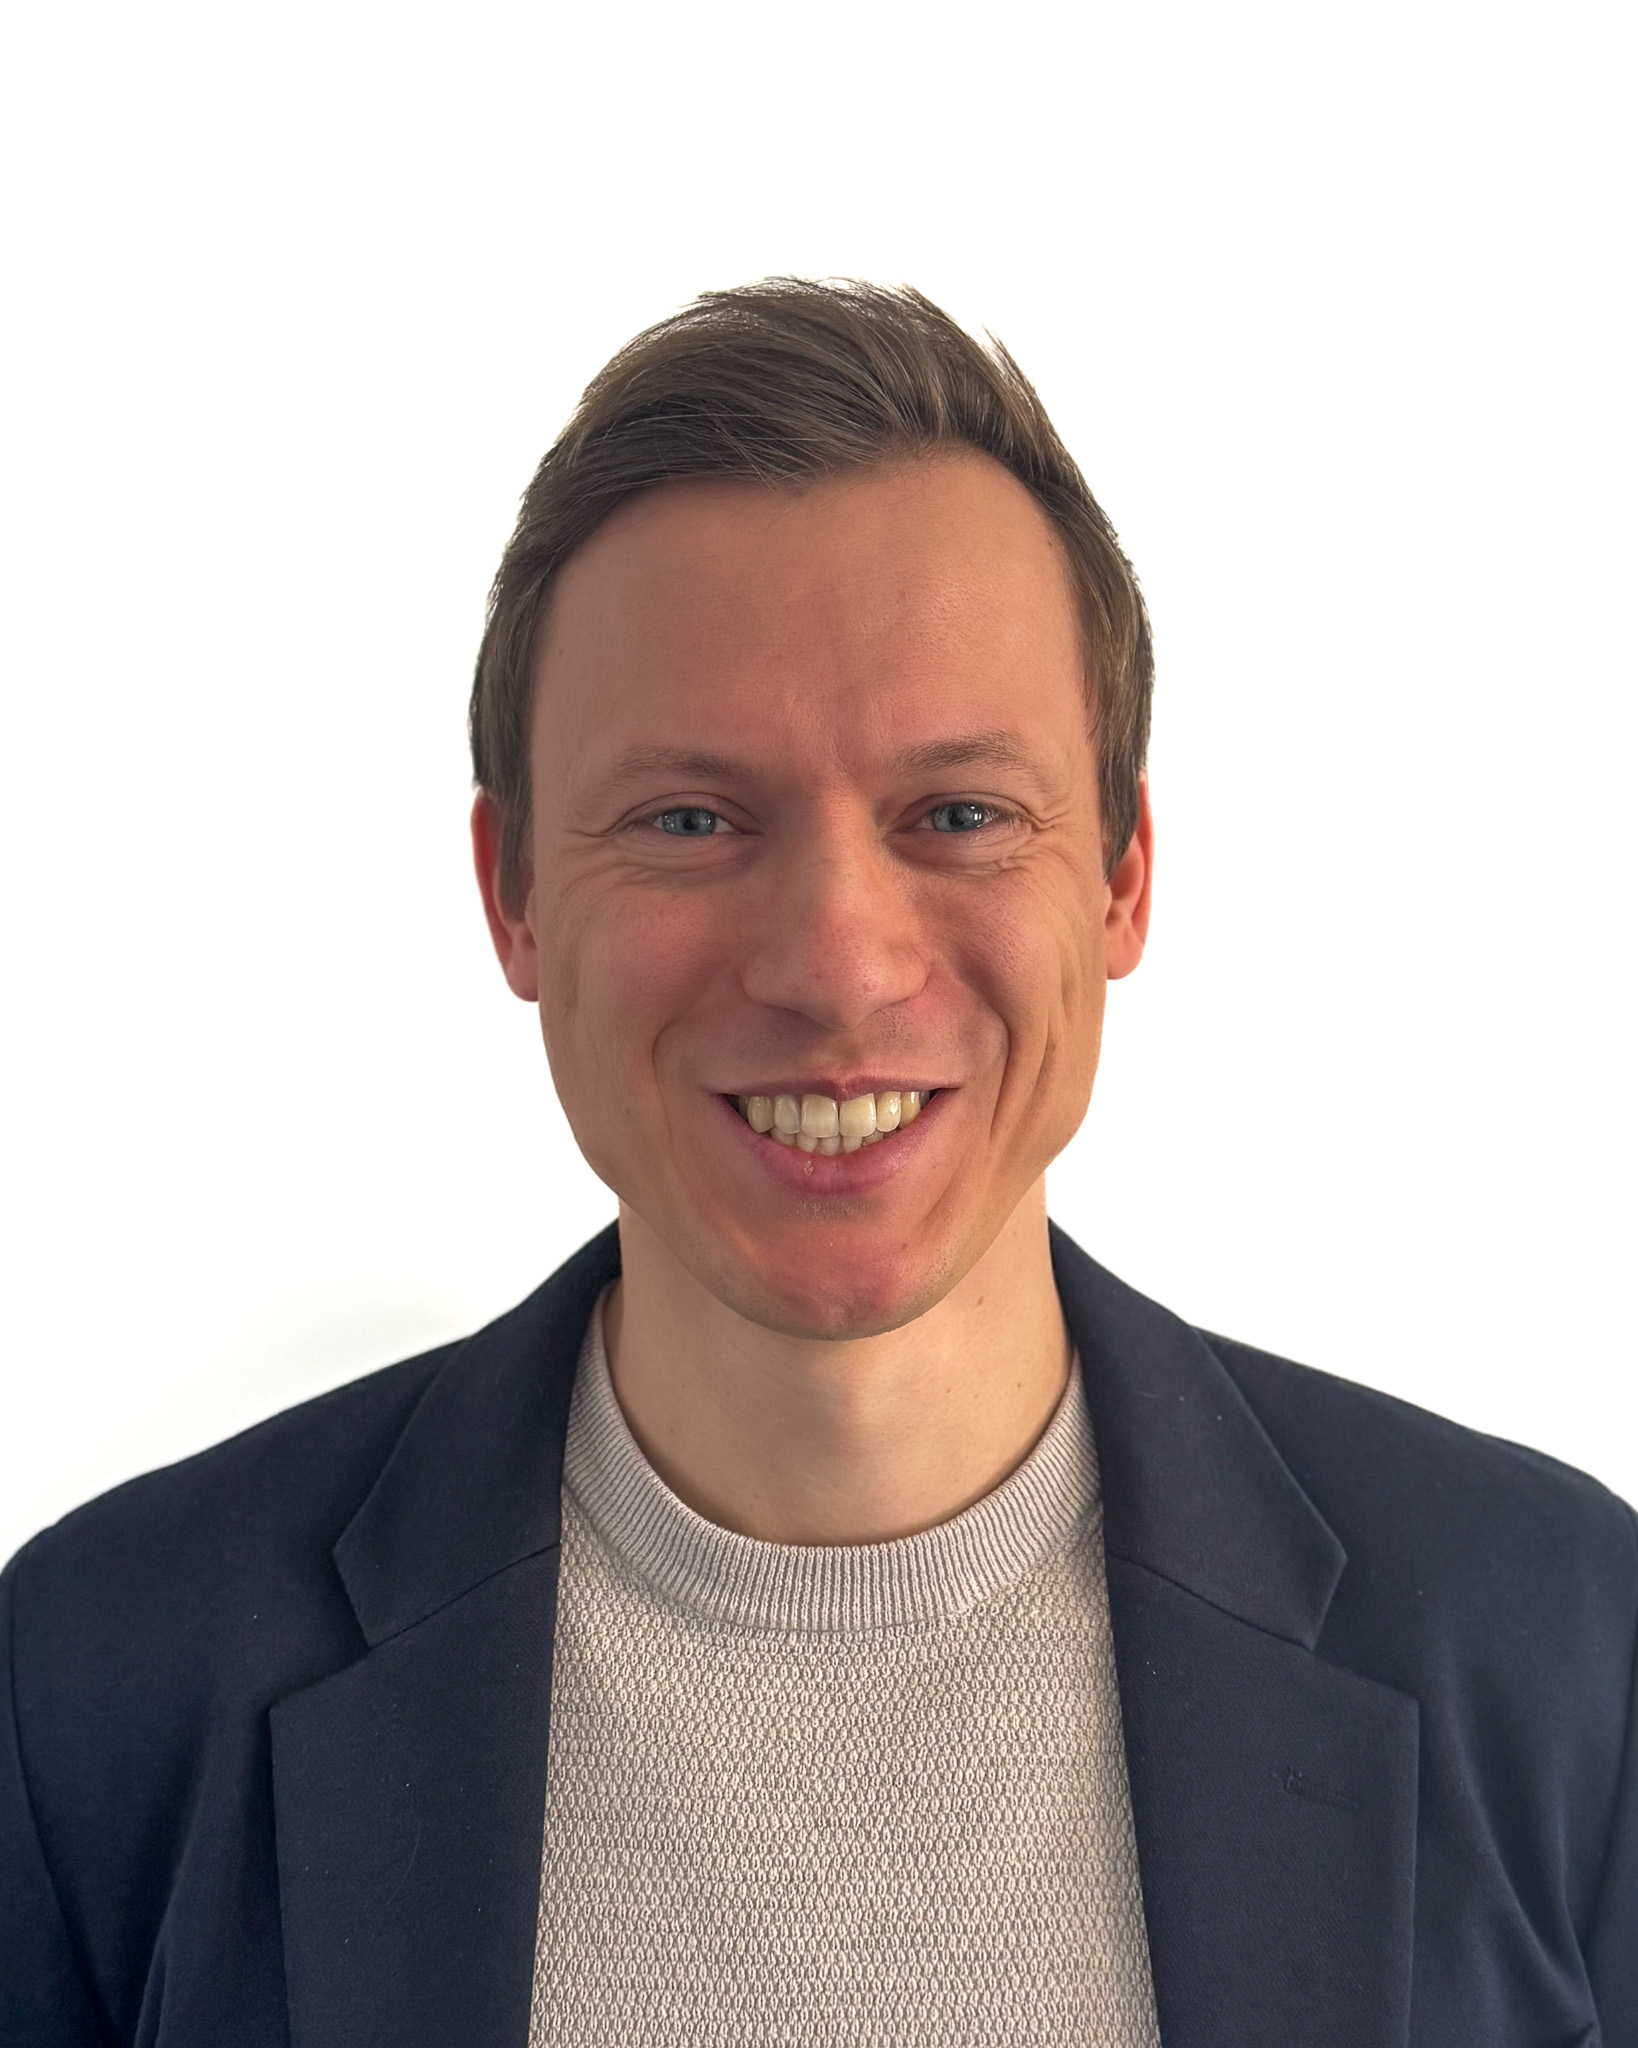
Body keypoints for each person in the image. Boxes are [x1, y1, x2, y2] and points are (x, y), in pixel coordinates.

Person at [2, 280, 1633, 2048]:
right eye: (690, 819)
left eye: (960, 815)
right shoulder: (95, 1683)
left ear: (1121, 879)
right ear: (513, 894)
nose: (837, 966)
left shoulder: (1560, 1648)